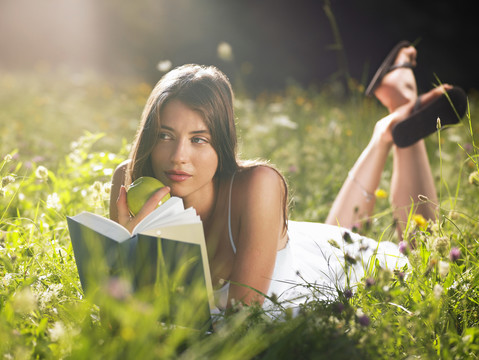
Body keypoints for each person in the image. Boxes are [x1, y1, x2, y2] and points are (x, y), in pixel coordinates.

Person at [109, 42, 465, 312]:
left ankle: (397, 114)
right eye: (164, 135)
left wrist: (138, 274)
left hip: (339, 268)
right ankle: (391, 122)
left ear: (223, 142)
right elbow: (118, 305)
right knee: (336, 234)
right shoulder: (130, 183)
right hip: (304, 257)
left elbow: (238, 316)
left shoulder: (259, 185)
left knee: (422, 262)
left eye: (199, 139)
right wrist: (126, 246)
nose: (178, 157)